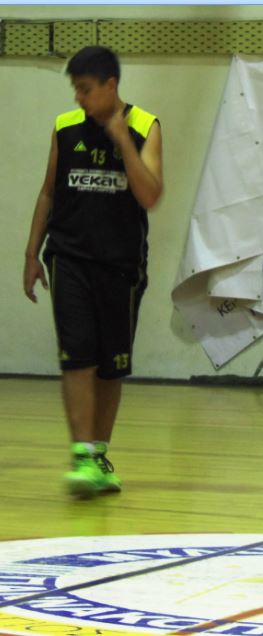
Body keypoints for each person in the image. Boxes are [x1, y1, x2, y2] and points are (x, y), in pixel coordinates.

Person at [22, 46, 163, 498]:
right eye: (75, 90)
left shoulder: (145, 127)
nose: (79, 98)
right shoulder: (65, 128)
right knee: (77, 358)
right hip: (69, 259)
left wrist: (122, 141)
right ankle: (82, 455)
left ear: (110, 85)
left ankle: (99, 454)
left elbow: (150, 195)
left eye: (85, 89)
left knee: (110, 368)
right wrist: (31, 253)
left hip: (121, 267)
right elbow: (48, 193)